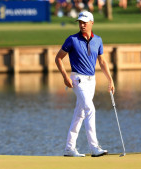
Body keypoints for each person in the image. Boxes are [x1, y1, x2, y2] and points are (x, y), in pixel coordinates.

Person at [55, 11, 115, 157]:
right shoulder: (72, 39)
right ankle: (94, 148)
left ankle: (69, 148)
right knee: (90, 109)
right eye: (80, 22)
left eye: (85, 22)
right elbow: (58, 58)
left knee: (80, 114)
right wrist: (65, 77)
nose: (82, 25)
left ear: (91, 23)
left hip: (91, 80)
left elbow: (102, 61)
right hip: (77, 79)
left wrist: (110, 80)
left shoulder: (98, 40)